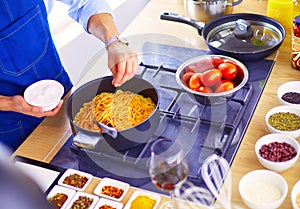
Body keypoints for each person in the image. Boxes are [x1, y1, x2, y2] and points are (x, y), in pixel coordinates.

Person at [0, 0, 138, 151]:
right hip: (10, 123)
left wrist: (113, 42)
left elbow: (84, 2)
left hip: (60, 95)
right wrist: (9, 103)